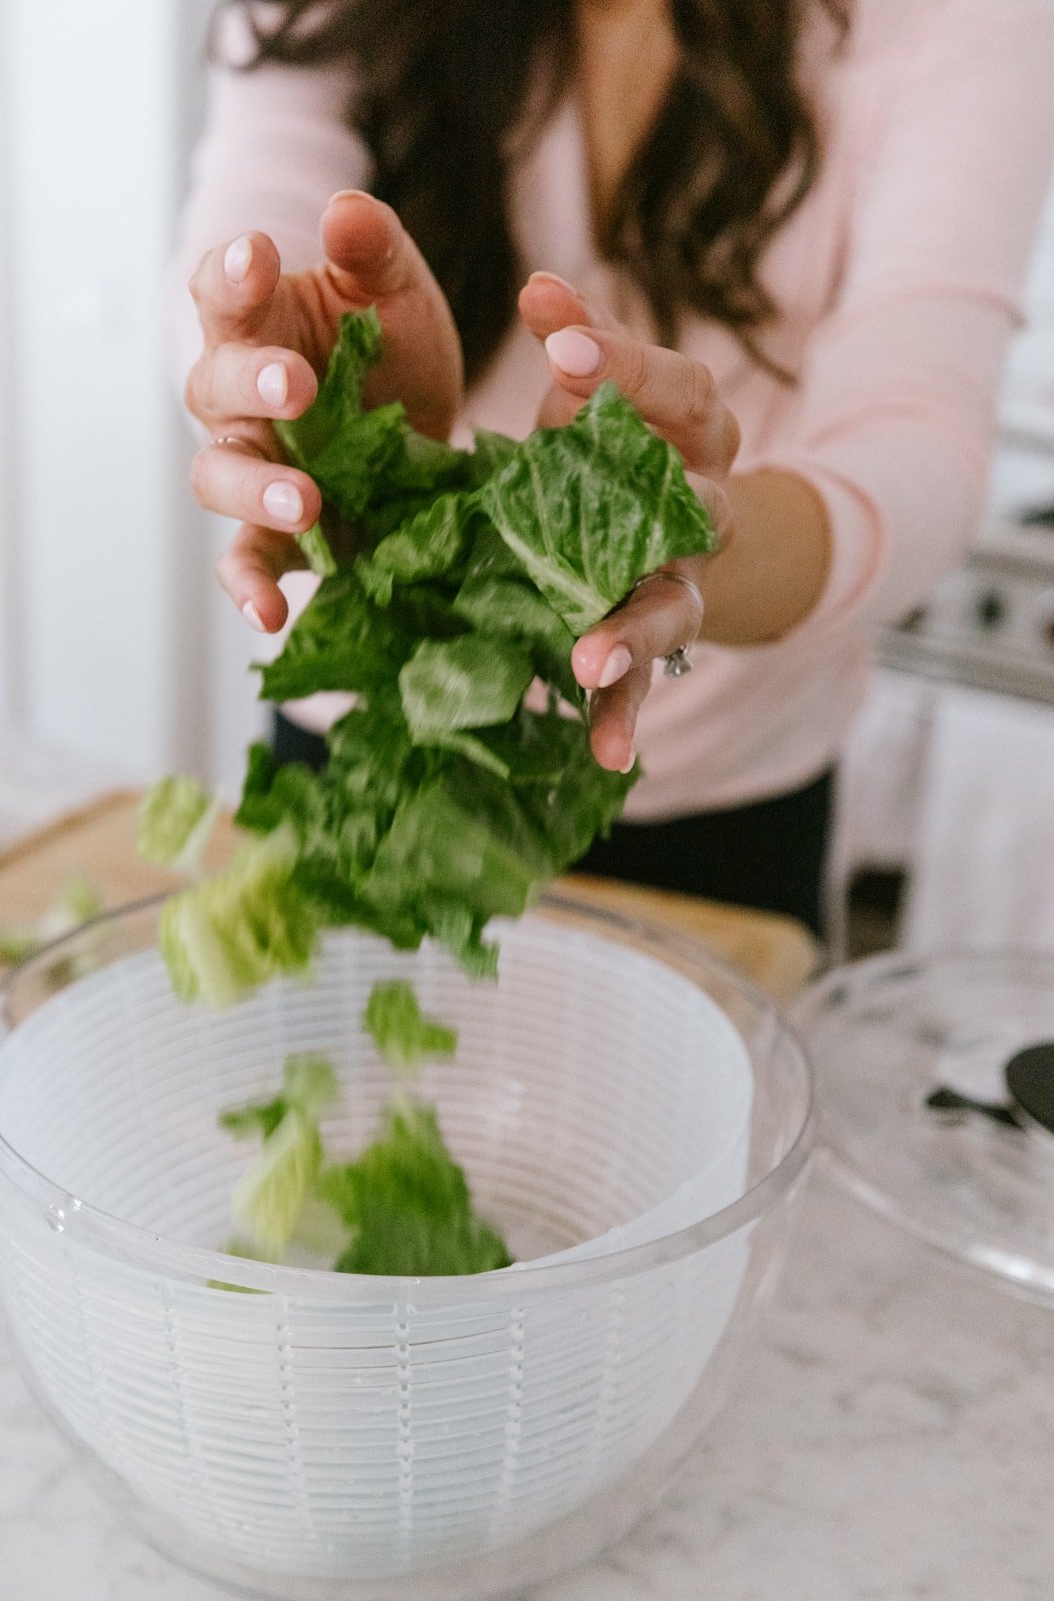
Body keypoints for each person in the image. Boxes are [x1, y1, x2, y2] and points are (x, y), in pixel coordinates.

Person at [168, 0, 1054, 937]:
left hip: (717, 807)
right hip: (372, 747)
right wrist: (288, 380)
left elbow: (915, 440)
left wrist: (701, 542)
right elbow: (249, 228)